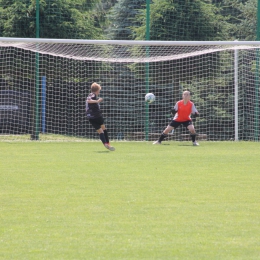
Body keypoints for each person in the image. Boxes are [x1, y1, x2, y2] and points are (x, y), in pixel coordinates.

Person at [86, 82, 115, 151]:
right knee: (103, 129)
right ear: (97, 90)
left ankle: (105, 144)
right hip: (97, 116)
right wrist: (97, 101)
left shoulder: (91, 94)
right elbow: (89, 100)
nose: (99, 92)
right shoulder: (92, 95)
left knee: (100, 131)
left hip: (90, 117)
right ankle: (108, 143)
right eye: (99, 90)